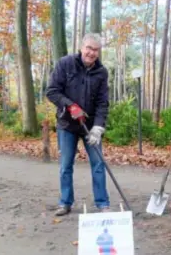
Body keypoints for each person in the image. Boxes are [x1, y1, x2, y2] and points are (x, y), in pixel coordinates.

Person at [46, 33, 111, 216]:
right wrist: (70, 106)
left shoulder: (101, 72)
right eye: (89, 48)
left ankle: (102, 203)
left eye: (95, 50)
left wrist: (98, 127)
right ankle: (65, 202)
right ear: (82, 47)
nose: (91, 53)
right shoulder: (65, 64)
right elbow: (52, 91)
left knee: (98, 164)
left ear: (98, 53)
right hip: (67, 125)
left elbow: (102, 102)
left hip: (90, 126)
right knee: (66, 165)